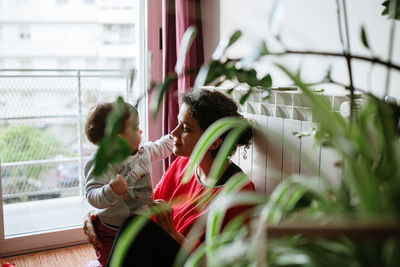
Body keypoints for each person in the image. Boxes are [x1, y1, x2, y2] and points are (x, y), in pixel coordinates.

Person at [83, 89, 255, 267]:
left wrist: (174, 235)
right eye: (178, 123)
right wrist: (100, 216)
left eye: (185, 128)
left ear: (214, 142)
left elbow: (225, 262)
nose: (174, 132)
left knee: (134, 226)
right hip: (161, 254)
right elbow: (143, 205)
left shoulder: (239, 191)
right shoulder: (183, 165)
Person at [84, 101, 173, 267]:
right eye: (135, 127)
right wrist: (110, 190)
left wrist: (171, 138)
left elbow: (160, 148)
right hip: (111, 230)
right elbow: (91, 195)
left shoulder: (142, 152)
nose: (141, 131)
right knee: (113, 261)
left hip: (140, 224)